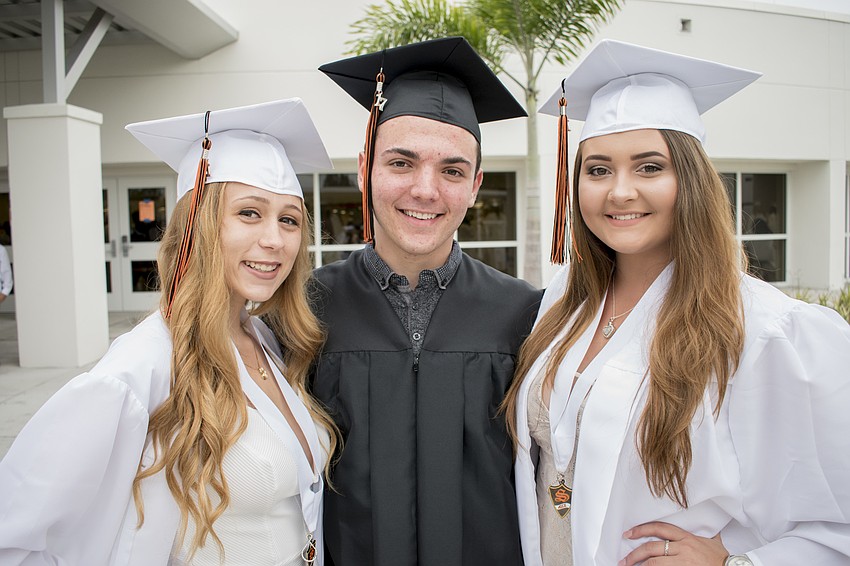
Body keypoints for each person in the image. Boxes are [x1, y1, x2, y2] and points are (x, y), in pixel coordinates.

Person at [504, 40, 850, 565]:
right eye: (597, 170)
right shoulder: (565, 299)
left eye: (649, 167)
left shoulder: (763, 331)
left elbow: (834, 523)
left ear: (690, 180)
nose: (619, 192)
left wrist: (733, 563)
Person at [0, 99, 337, 565]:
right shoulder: (139, 371)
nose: (274, 240)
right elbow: (15, 534)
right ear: (197, 225)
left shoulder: (264, 340)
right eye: (249, 213)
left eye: (289, 220)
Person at [312, 37, 542, 566]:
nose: (425, 189)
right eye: (401, 162)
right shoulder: (305, 311)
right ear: (365, 168)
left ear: (476, 185)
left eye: (452, 171)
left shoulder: (526, 314)